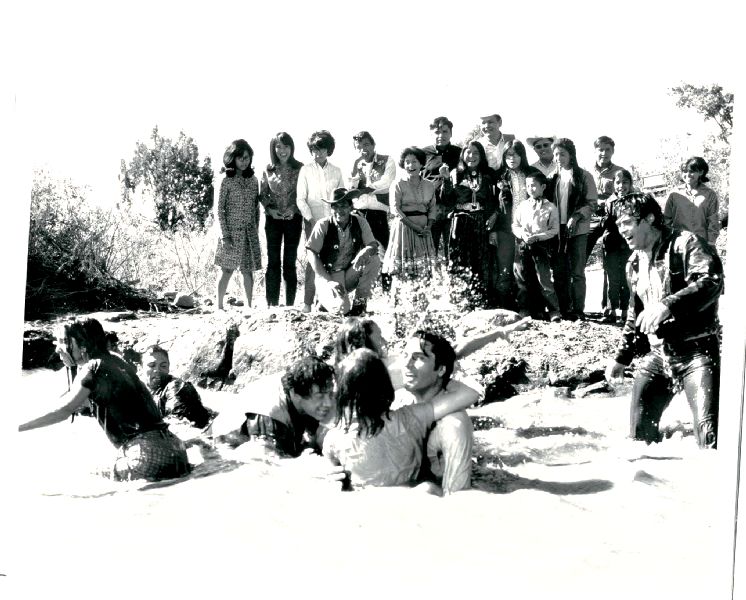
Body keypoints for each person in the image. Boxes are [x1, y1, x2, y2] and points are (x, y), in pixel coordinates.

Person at [605, 193, 723, 449]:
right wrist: (621, 357)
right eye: (618, 225)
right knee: (638, 440)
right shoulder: (633, 264)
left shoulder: (686, 243)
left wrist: (667, 305)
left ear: (649, 218)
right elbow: (634, 313)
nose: (621, 230)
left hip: (697, 353)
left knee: (709, 439)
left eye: (626, 222)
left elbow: (711, 281)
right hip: (659, 356)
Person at [19, 318, 191, 482]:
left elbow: (62, 411)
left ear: (83, 345)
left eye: (64, 341)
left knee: (79, 475)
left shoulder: (92, 368)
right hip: (177, 452)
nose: (57, 349)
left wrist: (17, 426)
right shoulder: (116, 361)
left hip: (148, 457)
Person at [323, 344, 479, 493]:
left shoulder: (333, 439)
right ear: (386, 387)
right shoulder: (410, 418)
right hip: (411, 498)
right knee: (428, 488)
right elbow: (469, 394)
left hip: (367, 504)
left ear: (343, 395)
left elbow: (334, 477)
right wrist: (439, 375)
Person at [306, 188, 382, 315]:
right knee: (342, 310)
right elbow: (311, 252)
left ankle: (360, 304)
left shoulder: (360, 222)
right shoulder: (323, 225)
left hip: (348, 273)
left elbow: (373, 245)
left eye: (343, 206)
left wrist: (366, 251)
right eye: (335, 207)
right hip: (328, 276)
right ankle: (323, 301)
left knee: (374, 259)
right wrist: (328, 281)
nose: (339, 211)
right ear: (331, 209)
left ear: (350, 207)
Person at [546, 138, 598, 320]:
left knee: (577, 271)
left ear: (571, 155)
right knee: (560, 270)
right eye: (556, 155)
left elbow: (592, 203)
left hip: (578, 230)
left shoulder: (584, 176)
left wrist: (576, 217)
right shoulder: (553, 178)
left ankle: (578, 310)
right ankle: (564, 309)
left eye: (562, 154)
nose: (558, 158)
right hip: (557, 230)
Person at [442, 141, 497, 309]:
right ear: (463, 155)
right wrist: (445, 180)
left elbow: (494, 200)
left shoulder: (488, 175)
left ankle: (481, 301)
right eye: (468, 153)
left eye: (476, 153)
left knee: (480, 259)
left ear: (481, 156)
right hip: (461, 220)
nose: (471, 156)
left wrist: (494, 215)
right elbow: (446, 199)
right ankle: (460, 301)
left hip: (481, 220)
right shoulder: (454, 174)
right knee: (459, 260)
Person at [296, 131, 345, 313]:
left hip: (333, 222)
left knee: (333, 260)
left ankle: (327, 303)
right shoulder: (306, 170)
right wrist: (310, 219)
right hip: (312, 221)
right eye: (314, 150)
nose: (318, 153)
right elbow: (301, 199)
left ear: (328, 149)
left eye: (322, 149)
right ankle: (307, 303)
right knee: (313, 261)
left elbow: (342, 197)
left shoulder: (337, 171)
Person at [214, 139, 262, 311]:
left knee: (247, 270)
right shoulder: (225, 180)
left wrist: (255, 230)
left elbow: (256, 209)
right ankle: (218, 306)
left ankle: (249, 306)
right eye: (240, 157)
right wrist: (224, 235)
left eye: (247, 157)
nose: (244, 161)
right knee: (226, 269)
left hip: (249, 232)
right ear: (232, 158)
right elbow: (219, 210)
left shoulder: (253, 180)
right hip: (230, 234)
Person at [382, 147, 437, 290]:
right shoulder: (398, 184)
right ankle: (399, 303)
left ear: (421, 164)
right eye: (407, 162)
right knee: (403, 271)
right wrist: (416, 227)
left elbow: (432, 208)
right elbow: (395, 209)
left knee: (423, 271)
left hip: (424, 232)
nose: (410, 166)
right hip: (404, 230)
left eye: (414, 162)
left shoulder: (429, 185)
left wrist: (428, 227)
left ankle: (422, 303)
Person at [259, 132, 304, 307]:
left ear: (291, 148)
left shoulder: (300, 168)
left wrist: (294, 209)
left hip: (294, 219)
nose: (282, 150)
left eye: (285, 146)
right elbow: (263, 194)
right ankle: (272, 304)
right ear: (273, 148)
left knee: (290, 261)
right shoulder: (268, 169)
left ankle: (290, 305)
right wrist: (271, 210)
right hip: (273, 220)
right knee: (273, 261)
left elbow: (303, 194)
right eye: (278, 146)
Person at [511, 170, 562, 322]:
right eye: (527, 185)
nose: (530, 188)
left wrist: (539, 237)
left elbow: (554, 230)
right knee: (523, 279)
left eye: (533, 185)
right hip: (523, 246)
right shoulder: (522, 206)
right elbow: (515, 225)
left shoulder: (550, 207)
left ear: (543, 187)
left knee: (544, 279)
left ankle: (553, 310)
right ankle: (525, 310)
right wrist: (523, 235)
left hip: (541, 247)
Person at [493, 140, 535, 309]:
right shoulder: (499, 177)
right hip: (505, 228)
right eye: (509, 155)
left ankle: (526, 308)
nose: (512, 158)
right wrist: (493, 230)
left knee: (524, 270)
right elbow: (493, 206)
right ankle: (505, 309)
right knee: (504, 269)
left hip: (527, 229)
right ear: (504, 157)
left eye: (516, 154)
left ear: (522, 156)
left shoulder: (532, 174)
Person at [139, 345, 215, 429]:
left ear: (168, 368)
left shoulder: (176, 387)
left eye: (163, 366)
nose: (157, 370)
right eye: (151, 365)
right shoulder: (139, 391)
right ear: (140, 369)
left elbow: (177, 425)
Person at [422, 116, 463, 258]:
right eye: (437, 132)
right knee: (429, 249)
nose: (441, 136)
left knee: (452, 248)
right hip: (430, 208)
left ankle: (451, 279)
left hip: (452, 207)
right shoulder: (423, 154)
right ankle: (431, 279)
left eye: (445, 132)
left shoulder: (460, 153)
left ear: (451, 133)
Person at [599, 169, 633, 324]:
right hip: (611, 245)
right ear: (613, 184)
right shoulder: (609, 202)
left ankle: (625, 313)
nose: (621, 186)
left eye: (625, 182)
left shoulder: (635, 200)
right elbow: (605, 224)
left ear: (630, 184)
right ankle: (612, 311)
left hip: (628, 245)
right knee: (612, 279)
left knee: (627, 278)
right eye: (618, 182)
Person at [663, 156, 720, 247]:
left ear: (701, 172)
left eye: (692, 171)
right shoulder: (674, 194)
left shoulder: (710, 195)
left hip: (702, 244)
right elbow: (666, 220)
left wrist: (710, 244)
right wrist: (670, 240)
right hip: (679, 244)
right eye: (685, 171)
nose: (688, 175)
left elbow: (713, 222)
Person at [586, 136, 624, 264]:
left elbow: (626, 195)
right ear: (595, 151)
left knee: (612, 255)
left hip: (613, 217)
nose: (604, 153)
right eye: (600, 149)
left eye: (608, 149)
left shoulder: (620, 172)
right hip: (592, 216)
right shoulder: (586, 172)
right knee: (580, 251)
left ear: (613, 151)